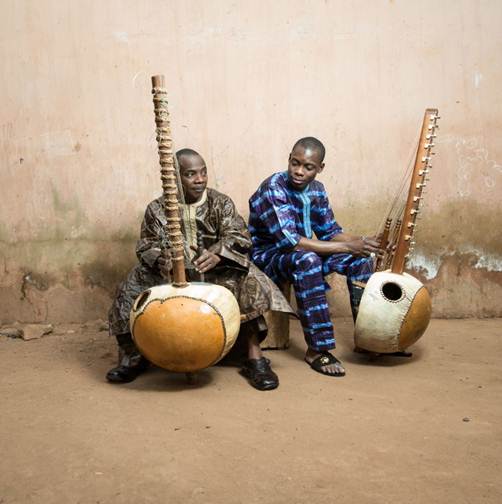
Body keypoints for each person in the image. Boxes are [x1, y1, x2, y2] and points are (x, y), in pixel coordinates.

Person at [106, 148, 293, 391]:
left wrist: (219, 252)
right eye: (191, 174)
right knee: (131, 286)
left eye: (203, 172)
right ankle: (133, 356)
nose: (200, 179)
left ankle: (254, 357)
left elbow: (239, 236)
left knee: (249, 279)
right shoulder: (157, 209)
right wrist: (161, 260)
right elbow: (146, 245)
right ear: (175, 178)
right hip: (170, 276)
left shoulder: (221, 202)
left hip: (215, 272)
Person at [248, 137, 381, 377]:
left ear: (320, 168)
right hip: (267, 257)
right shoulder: (273, 188)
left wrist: (363, 243)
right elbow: (292, 242)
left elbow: (330, 232)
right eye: (295, 163)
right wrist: (349, 247)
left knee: (361, 260)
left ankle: (368, 339)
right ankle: (317, 349)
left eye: (308, 167)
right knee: (308, 260)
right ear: (289, 159)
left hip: (304, 253)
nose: (299, 171)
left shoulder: (317, 190)